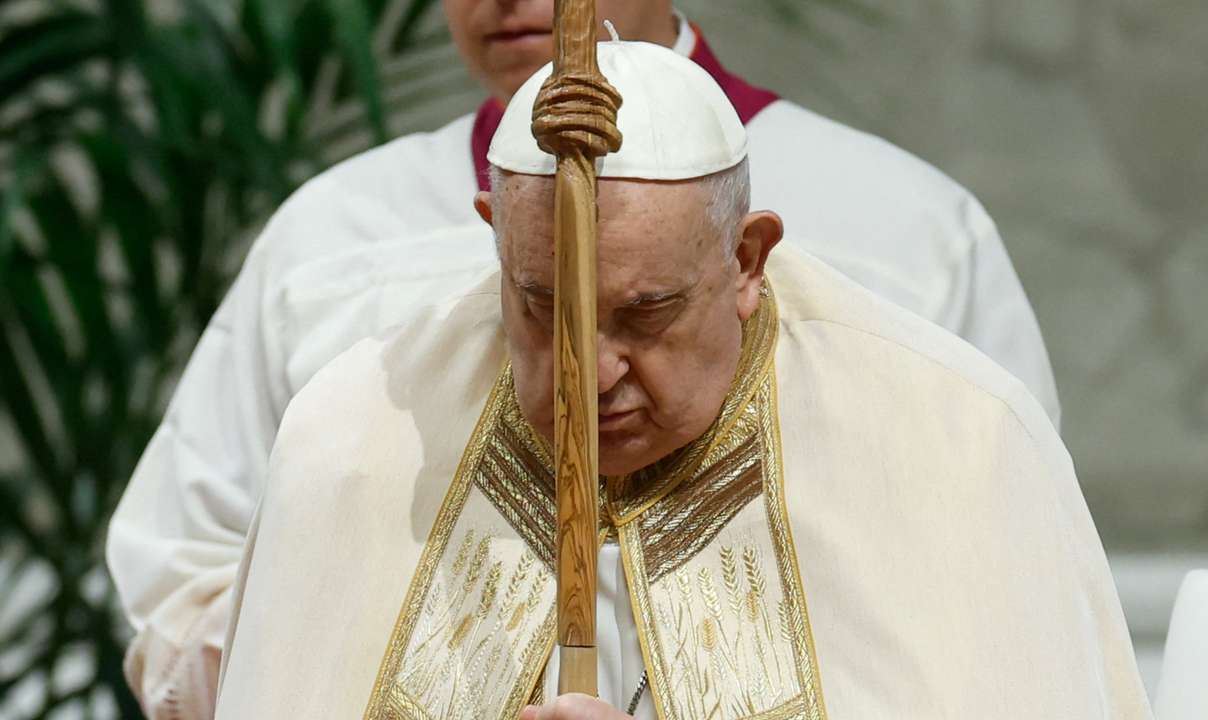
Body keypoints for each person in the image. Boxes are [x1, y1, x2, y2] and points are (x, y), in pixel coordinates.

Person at [107, 1, 1061, 716]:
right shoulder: (332, 237)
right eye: (539, 307)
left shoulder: (907, 228)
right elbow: (192, 581)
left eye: (649, 313)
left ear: (747, 260)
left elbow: (1005, 603)